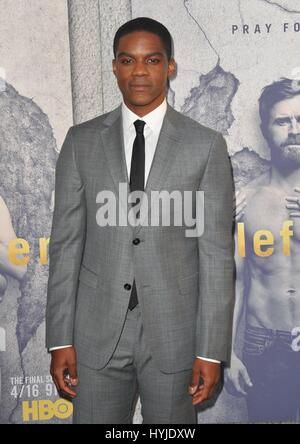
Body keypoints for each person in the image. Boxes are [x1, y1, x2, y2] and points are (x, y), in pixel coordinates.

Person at [46, 17, 235, 424]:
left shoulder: (205, 146)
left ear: (170, 66)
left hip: (175, 334)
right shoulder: (81, 141)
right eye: (128, 61)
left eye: (152, 60)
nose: (140, 72)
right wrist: (59, 338)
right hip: (95, 334)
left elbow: (216, 256)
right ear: (115, 66)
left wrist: (209, 349)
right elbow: (65, 246)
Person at [225, 78, 300, 422]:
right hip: (264, 345)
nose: (294, 130)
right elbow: (238, 281)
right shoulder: (247, 201)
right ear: (266, 128)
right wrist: (228, 352)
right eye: (283, 121)